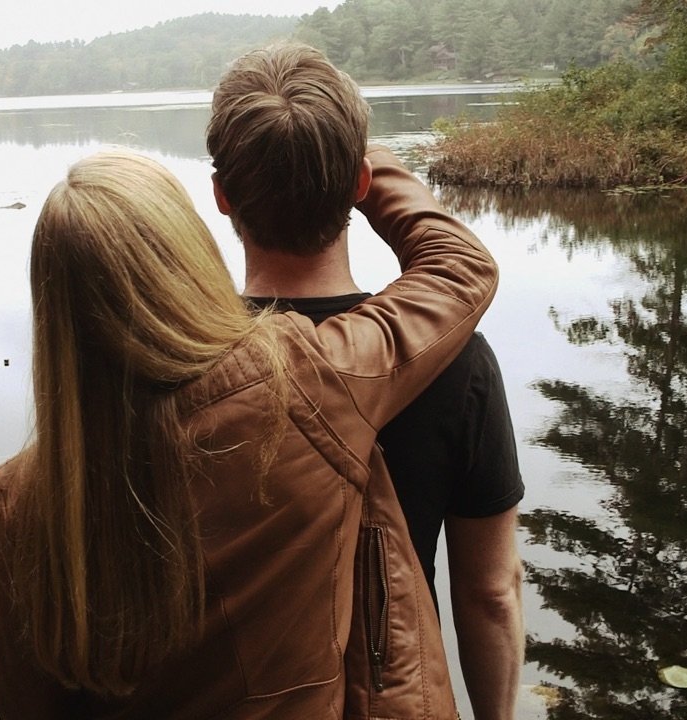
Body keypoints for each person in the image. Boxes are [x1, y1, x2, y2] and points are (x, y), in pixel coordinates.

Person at [0, 147, 495, 718]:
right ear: (191, 253)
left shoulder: (19, 497)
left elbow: (22, 698)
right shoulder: (301, 385)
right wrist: (365, 166)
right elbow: (459, 271)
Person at [207, 43, 524, 720]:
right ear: (360, 184)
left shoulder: (189, 360)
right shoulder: (455, 360)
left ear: (221, 195)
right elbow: (491, 593)